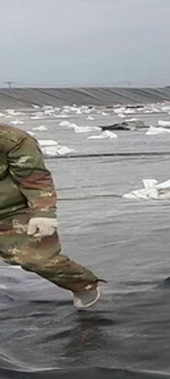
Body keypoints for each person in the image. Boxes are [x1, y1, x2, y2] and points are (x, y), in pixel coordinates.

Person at [0, 122, 101, 308]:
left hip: (9, 211)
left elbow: (34, 178)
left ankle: (82, 284)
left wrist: (43, 212)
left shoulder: (11, 139)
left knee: (36, 258)